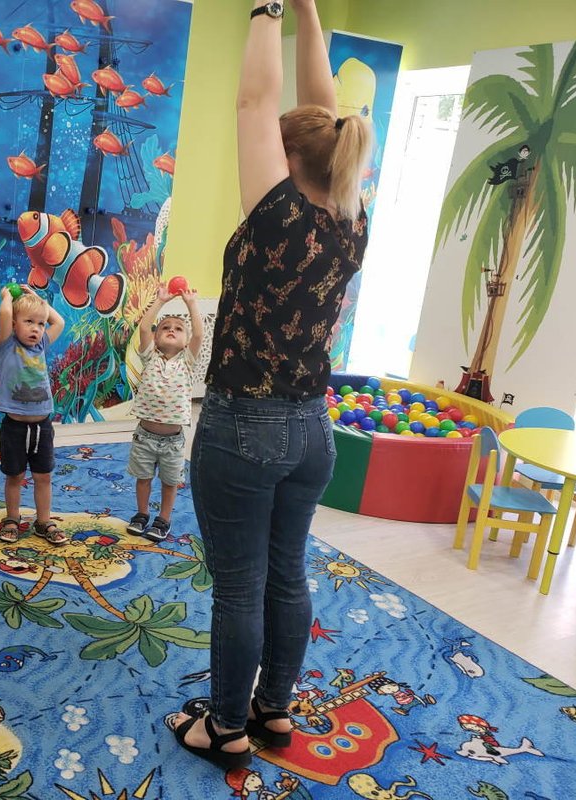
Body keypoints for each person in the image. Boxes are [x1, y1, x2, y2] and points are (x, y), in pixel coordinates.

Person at [168, 0, 373, 769]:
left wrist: (266, 11)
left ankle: (223, 728)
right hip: (312, 430)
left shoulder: (278, 215)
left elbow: (254, 102)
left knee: (239, 585)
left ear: (287, 159)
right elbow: (322, 109)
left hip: (243, 427)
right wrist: (308, 11)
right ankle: (272, 710)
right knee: (284, 575)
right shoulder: (351, 216)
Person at [126, 285, 202, 541]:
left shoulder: (187, 361)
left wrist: (191, 304)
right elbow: (144, 328)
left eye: (178, 328)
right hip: (144, 436)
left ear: (185, 341)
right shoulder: (151, 357)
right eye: (165, 327)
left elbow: (199, 334)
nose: (171, 329)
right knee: (143, 478)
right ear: (156, 338)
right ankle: (142, 513)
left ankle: (164, 519)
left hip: (173, 441)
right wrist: (160, 301)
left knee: (170, 482)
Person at [0, 284, 66, 545]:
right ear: (14, 324)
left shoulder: (41, 345)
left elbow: (59, 322)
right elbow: (4, 314)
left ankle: (43, 521)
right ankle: (12, 519)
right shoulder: (7, 344)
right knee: (15, 476)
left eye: (40, 324)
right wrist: (6, 297)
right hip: (14, 427)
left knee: (43, 476)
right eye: (29, 322)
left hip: (42, 426)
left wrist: (37, 300)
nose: (36, 328)